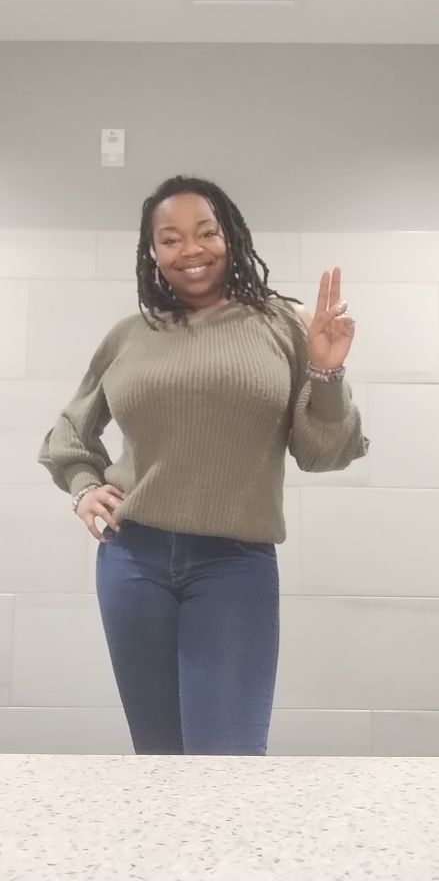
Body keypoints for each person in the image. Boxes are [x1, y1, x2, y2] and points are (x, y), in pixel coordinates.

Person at [38, 174, 369, 757]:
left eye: (205, 232)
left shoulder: (283, 324)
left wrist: (327, 371)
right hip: (133, 561)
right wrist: (84, 486)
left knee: (226, 765)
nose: (190, 249)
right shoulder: (130, 336)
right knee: (160, 761)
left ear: (230, 236)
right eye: (170, 239)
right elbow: (69, 430)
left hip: (233, 565)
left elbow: (324, 452)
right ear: (153, 252)